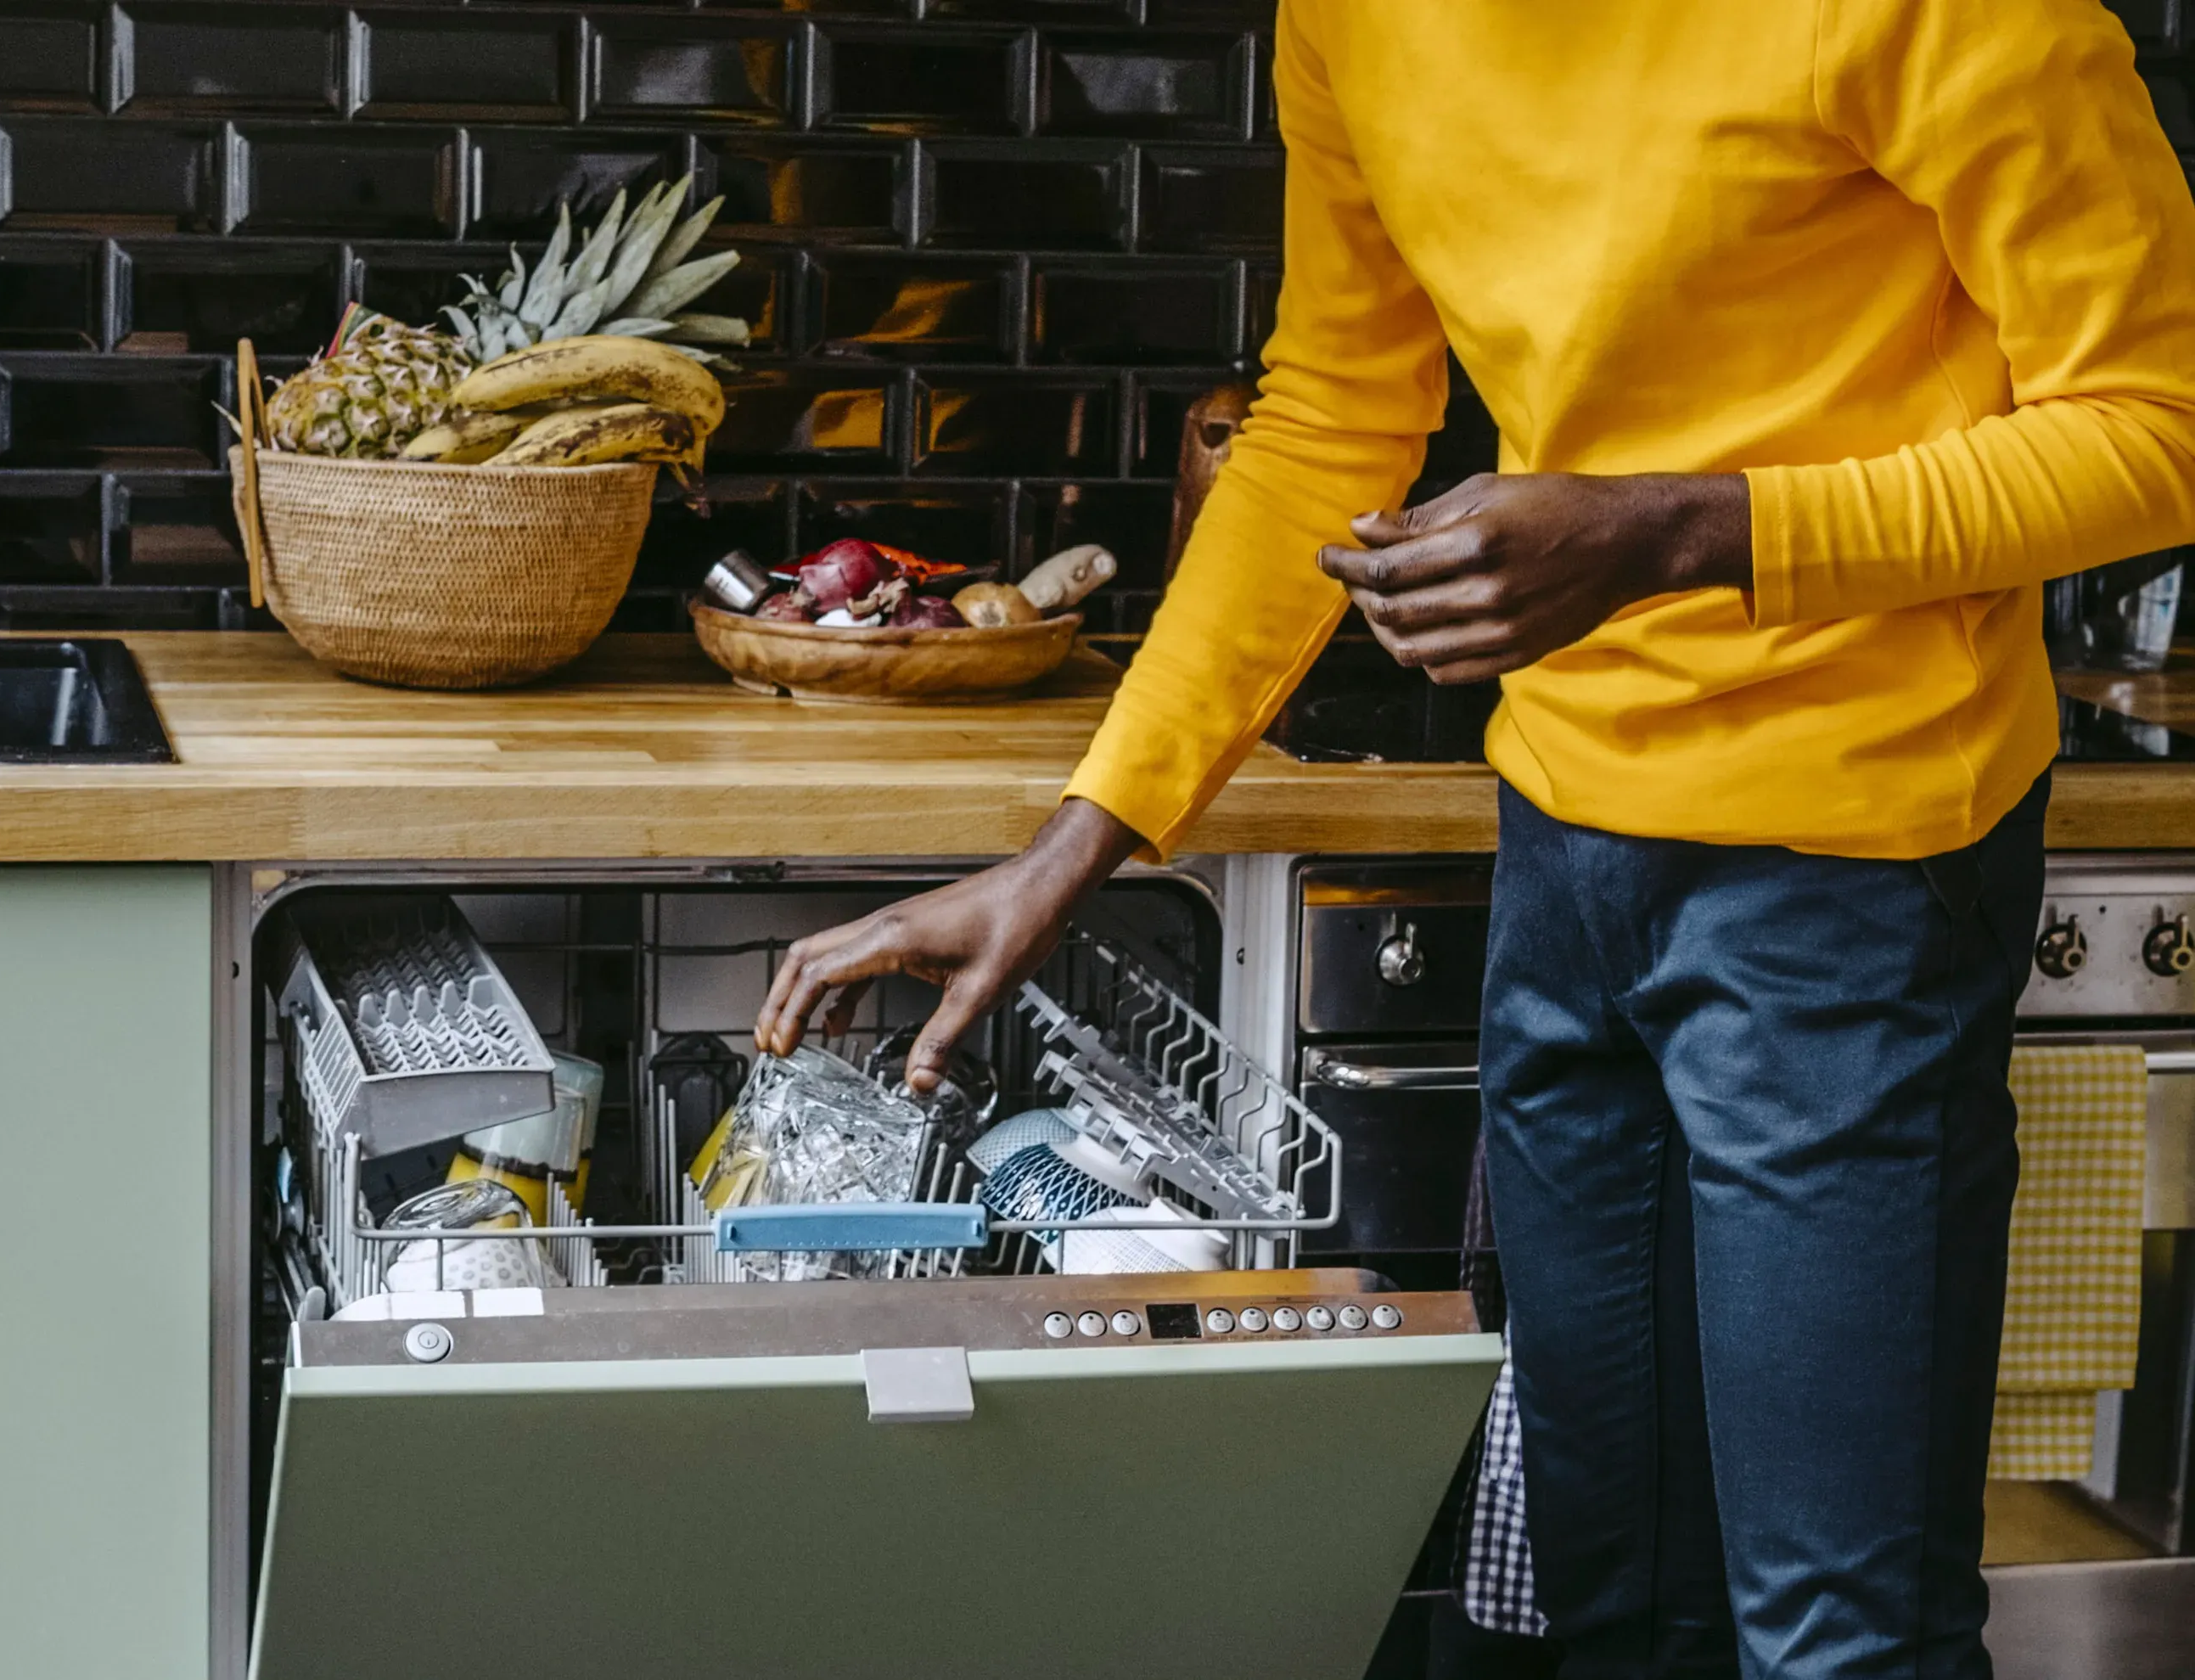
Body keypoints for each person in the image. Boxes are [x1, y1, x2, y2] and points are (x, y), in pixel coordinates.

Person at [756, 3, 2195, 1674]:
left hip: (1855, 862)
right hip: (1567, 842)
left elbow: (2152, 426)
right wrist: (1080, 837)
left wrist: (1671, 526)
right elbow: (1325, 418)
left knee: (1835, 1632)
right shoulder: (1353, 19)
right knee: (1614, 1595)